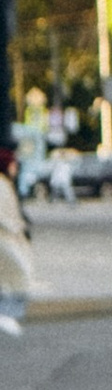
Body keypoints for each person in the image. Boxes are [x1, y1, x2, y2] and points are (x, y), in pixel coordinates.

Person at [0, 135, 34, 339]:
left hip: (9, 239)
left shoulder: (5, 183)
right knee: (16, 276)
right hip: (6, 241)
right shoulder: (2, 184)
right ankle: (7, 314)